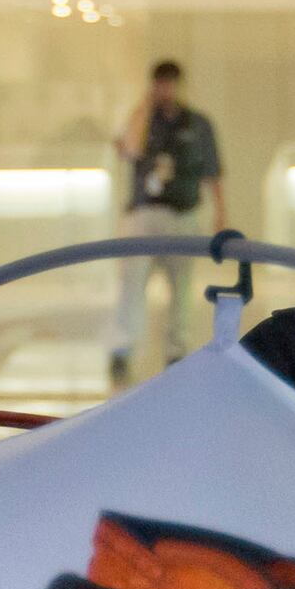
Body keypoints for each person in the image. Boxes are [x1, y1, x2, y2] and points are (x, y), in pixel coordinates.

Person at [111, 58, 225, 387]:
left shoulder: (199, 123)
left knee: (181, 288)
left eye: (170, 83)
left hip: (183, 213)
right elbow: (129, 148)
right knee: (131, 285)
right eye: (160, 83)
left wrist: (220, 213)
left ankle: (177, 351)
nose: (165, 90)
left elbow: (213, 172)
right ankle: (123, 348)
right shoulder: (142, 120)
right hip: (144, 214)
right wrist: (145, 107)